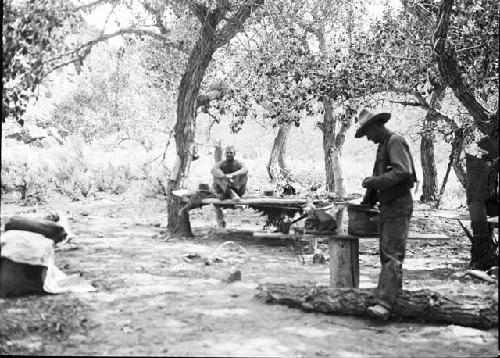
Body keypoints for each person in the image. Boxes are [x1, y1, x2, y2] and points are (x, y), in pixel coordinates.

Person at [355, 108, 417, 321]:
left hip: (399, 205)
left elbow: (403, 172)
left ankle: (383, 303)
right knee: (387, 254)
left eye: (368, 133)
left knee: (392, 255)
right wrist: (368, 199)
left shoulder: (394, 141)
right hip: (388, 206)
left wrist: (374, 182)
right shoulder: (383, 146)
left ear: (375, 126)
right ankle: (395, 300)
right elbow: (379, 177)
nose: (368, 139)